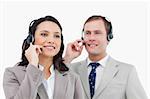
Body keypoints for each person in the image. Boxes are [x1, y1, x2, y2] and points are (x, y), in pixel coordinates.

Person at [64, 15, 148, 99]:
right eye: (88, 33)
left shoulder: (127, 72)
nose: (91, 38)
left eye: (97, 33)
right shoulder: (71, 69)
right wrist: (68, 58)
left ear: (109, 37)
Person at [3, 16, 84, 99]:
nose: (51, 40)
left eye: (56, 36)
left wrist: (67, 58)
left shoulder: (72, 78)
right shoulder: (13, 74)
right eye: (44, 34)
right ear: (31, 40)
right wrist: (33, 65)